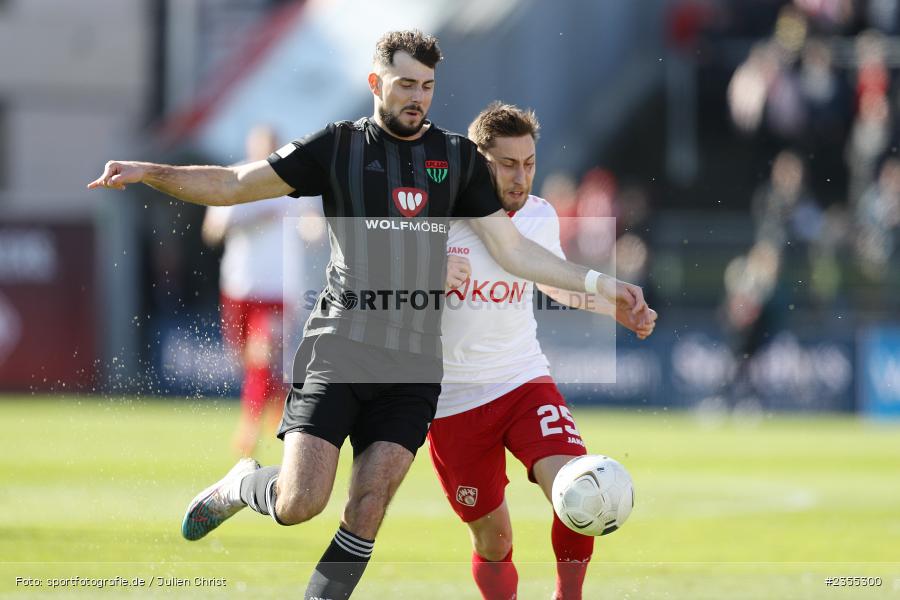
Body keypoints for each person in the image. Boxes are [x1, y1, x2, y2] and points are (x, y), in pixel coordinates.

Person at [87, 30, 652, 599]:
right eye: (406, 83)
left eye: (428, 86)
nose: (418, 97)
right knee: (300, 502)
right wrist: (152, 172)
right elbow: (237, 183)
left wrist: (603, 288)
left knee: (369, 506)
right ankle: (245, 485)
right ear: (375, 82)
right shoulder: (337, 147)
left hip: (416, 370)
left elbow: (515, 252)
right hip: (343, 347)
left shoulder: (455, 159)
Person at [431, 103, 656, 600]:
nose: (521, 176)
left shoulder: (539, 215)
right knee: (494, 543)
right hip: (453, 403)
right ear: (479, 160)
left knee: (582, 486)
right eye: (508, 164)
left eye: (529, 163)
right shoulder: (438, 215)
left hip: (523, 380)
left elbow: (552, 282)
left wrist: (609, 307)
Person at [201, 125, 307, 457]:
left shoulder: (293, 184)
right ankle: (281, 412)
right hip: (238, 285)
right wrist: (252, 220)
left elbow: (311, 223)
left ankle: (249, 430)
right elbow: (211, 232)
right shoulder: (236, 179)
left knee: (263, 357)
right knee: (246, 361)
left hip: (277, 289)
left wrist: (314, 230)